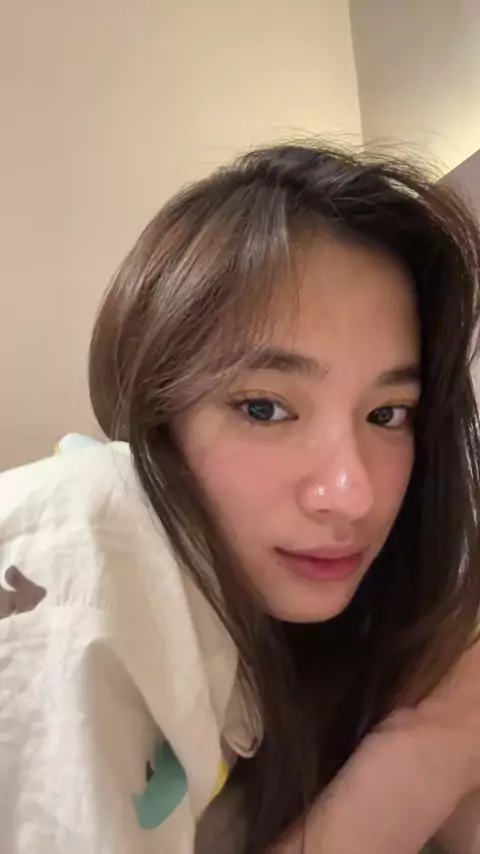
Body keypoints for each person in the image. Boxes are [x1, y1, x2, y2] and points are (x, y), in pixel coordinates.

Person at [1, 142, 480, 854]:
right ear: (159, 412)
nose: (351, 494)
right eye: (264, 408)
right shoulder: (82, 538)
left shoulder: (322, 638)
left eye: (387, 414)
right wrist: (433, 745)